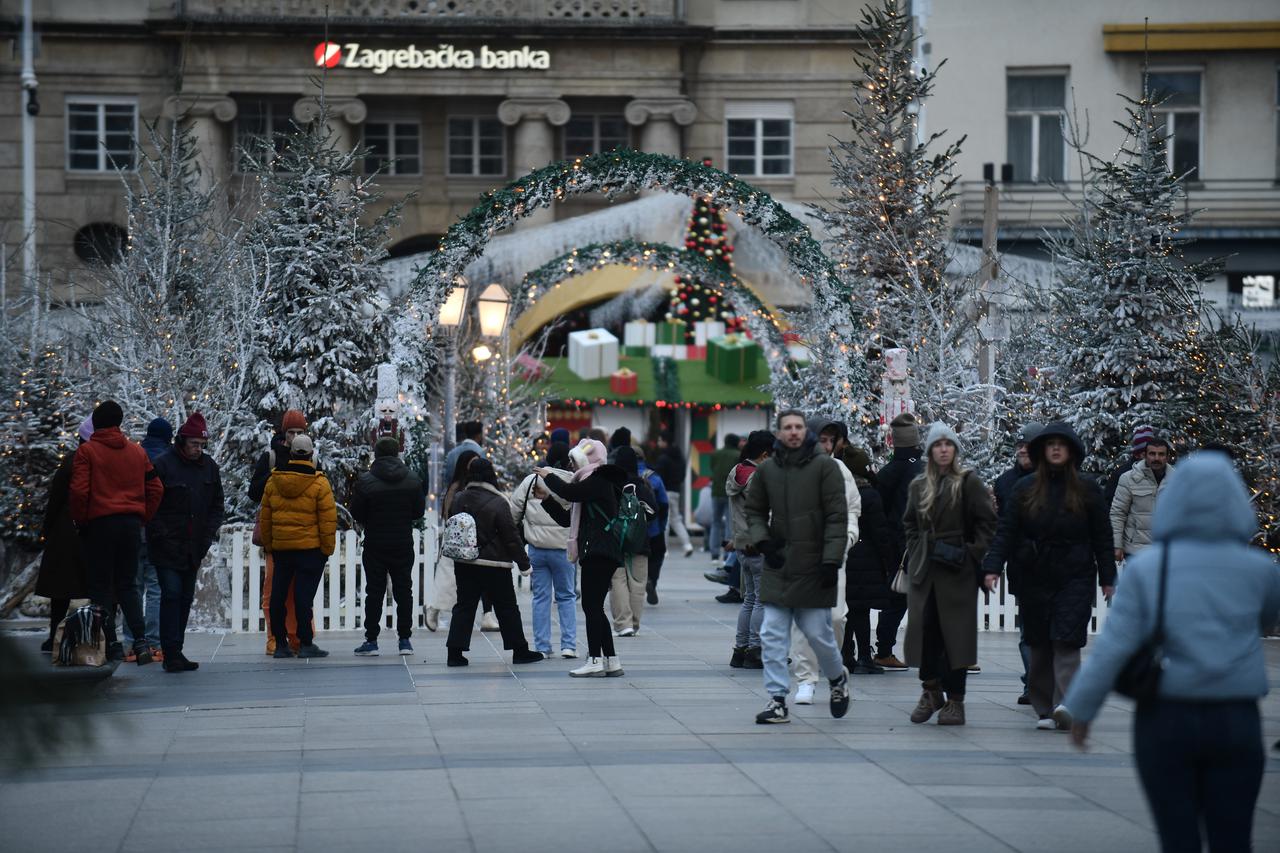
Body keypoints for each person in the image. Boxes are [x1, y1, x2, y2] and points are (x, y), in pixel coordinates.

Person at [1061, 452, 1280, 853]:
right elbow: (1266, 621)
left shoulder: (1150, 569)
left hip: (1167, 715)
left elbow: (1114, 646)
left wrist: (1081, 709)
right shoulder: (1261, 569)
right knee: (1233, 836)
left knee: (1177, 835)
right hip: (1236, 716)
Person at [981, 421, 1115, 729]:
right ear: (1042, 450)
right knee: (1039, 642)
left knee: (1067, 640)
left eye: (1061, 444)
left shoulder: (1087, 488)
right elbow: (1007, 531)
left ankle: (1067, 703)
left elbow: (1102, 535)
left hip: (1075, 573)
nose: (1055, 448)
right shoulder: (1024, 488)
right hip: (1035, 573)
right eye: (1050, 444)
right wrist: (992, 566)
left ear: (1071, 451)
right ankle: (1045, 708)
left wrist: (1108, 576)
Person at [744, 410, 851, 724]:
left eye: (798, 427)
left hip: (815, 566)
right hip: (779, 565)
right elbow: (754, 510)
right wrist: (763, 542)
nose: (793, 432)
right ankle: (777, 699)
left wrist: (832, 559)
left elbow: (837, 516)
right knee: (772, 633)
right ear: (778, 433)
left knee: (819, 634)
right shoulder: (768, 471)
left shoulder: (825, 468)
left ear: (806, 432)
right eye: (787, 427)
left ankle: (837, 678)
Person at [902, 423, 998, 726]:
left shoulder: (967, 482)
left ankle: (956, 700)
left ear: (955, 450)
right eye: (937, 445)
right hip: (926, 569)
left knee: (956, 637)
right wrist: (918, 547)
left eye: (948, 444)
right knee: (923, 631)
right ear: (930, 450)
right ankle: (931, 690)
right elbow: (908, 523)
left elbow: (987, 522)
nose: (943, 449)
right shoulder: (919, 485)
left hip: (957, 570)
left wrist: (971, 553)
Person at [69, 400, 164, 664]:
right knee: (128, 585)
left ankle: (111, 644)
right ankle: (142, 643)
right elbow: (156, 488)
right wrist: (141, 516)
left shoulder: (87, 452)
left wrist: (81, 520)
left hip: (99, 525)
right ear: (119, 423)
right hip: (130, 525)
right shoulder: (137, 452)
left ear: (96, 424)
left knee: (100, 588)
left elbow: (78, 492)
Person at [537, 439, 628, 678]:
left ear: (589, 459)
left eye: (575, 461)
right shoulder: (594, 483)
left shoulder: (598, 480)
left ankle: (595, 659)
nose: (572, 466)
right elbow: (568, 519)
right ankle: (611, 660)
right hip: (600, 551)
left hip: (599, 552)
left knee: (591, 607)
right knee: (595, 608)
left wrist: (548, 475)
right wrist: (547, 500)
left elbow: (568, 492)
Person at [444, 459, 543, 667]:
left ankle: (455, 652)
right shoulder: (498, 502)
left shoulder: (459, 498)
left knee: (464, 606)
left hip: (465, 561)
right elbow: (511, 537)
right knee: (506, 607)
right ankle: (520, 651)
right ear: (491, 475)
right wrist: (524, 565)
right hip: (494, 564)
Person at [789, 417, 860, 705]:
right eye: (821, 438)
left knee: (835, 618)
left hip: (833, 555)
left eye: (831, 440)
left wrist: (849, 538)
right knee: (803, 620)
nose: (826, 444)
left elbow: (852, 509)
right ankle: (806, 678)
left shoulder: (840, 470)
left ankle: (834, 673)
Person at [147, 413, 224, 673]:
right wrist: (161, 534)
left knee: (184, 598)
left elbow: (216, 505)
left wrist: (206, 536)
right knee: (171, 595)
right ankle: (170, 651)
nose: (198, 450)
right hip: (167, 544)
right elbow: (150, 505)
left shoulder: (209, 468)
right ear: (182, 441)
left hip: (193, 545)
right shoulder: (163, 465)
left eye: (201, 446)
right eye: (194, 444)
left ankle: (176, 649)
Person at [259, 434, 337, 659]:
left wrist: (270, 546)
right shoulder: (319, 482)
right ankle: (305, 643)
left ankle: (280, 644)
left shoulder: (274, 481)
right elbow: (327, 520)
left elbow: (266, 517)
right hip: (310, 550)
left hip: (283, 549)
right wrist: (326, 550)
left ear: (291, 454)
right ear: (312, 455)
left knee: (278, 596)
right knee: (303, 598)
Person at [351, 436, 425, 657]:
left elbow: (357, 512)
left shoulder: (366, 481)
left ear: (377, 454)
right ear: (396, 454)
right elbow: (418, 512)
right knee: (404, 590)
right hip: (402, 542)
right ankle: (404, 640)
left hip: (375, 542)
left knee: (374, 591)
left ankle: (371, 640)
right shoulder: (412, 480)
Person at [248, 409, 309, 655]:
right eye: (292, 432)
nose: (295, 437)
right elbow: (254, 492)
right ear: (284, 433)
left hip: (301, 535)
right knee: (273, 590)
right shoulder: (271, 458)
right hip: (276, 536)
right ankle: (275, 637)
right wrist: (274, 477)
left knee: (300, 592)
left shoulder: (310, 457)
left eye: (300, 432)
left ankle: (298, 638)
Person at [991, 421, 1043, 704]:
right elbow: (1002, 527)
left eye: (1028, 445)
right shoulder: (1005, 482)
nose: (1022, 449)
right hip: (1022, 566)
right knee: (1027, 630)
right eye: (1019, 445)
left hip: (1052, 565)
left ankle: (1046, 682)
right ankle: (1033, 683)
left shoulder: (1057, 479)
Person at [511, 441, 577, 658]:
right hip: (564, 549)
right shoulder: (572, 481)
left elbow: (514, 510)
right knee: (566, 596)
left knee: (541, 597)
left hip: (537, 549)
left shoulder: (532, 481)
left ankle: (542, 646)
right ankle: (568, 645)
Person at [34, 416, 92, 653]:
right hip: (95, 530)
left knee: (61, 590)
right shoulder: (103, 462)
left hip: (66, 531)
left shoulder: (71, 461)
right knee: (98, 587)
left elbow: (56, 498)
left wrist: (47, 530)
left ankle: (54, 636)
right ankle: (99, 637)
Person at [425, 450, 498, 633]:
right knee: (449, 578)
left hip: (479, 540)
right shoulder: (457, 488)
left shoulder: (482, 487)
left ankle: (488, 614)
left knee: (486, 577)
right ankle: (434, 608)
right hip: (457, 541)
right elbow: (449, 515)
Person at [872, 412, 923, 672]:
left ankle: (884, 649)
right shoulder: (924, 467)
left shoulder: (890, 471)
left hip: (898, 543)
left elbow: (880, 507)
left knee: (897, 597)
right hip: (923, 540)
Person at [841, 447, 895, 675]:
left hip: (844, 556)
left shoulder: (838, 491)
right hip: (866, 558)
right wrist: (889, 560)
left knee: (846, 611)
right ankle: (864, 656)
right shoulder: (869, 495)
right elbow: (881, 533)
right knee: (860, 611)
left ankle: (846, 655)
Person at [122, 417, 171, 661]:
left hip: (133, 529)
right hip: (158, 532)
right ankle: (154, 643)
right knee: (155, 590)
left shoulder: (134, 456)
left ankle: (131, 643)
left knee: (132, 587)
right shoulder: (168, 460)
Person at [726, 430, 772, 669]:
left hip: (742, 544)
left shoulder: (736, 471)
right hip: (758, 543)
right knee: (761, 599)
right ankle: (756, 649)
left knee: (750, 599)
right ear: (765, 455)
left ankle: (740, 649)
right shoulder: (759, 477)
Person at [608, 446, 656, 637]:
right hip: (639, 541)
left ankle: (622, 623)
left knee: (617, 580)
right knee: (637, 582)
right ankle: (634, 624)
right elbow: (654, 511)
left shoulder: (611, 484)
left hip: (615, 539)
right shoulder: (641, 485)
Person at [1110, 437, 1172, 562]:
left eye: (1161, 454)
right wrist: (1116, 545)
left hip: (1166, 550)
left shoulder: (1177, 480)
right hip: (1135, 550)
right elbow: (1118, 513)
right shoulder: (1128, 478)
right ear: (1145, 455)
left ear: (1167, 457)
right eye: (1152, 454)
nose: (1156, 458)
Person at [654, 431, 694, 557]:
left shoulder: (663, 459)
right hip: (676, 491)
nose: (658, 443)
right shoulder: (680, 457)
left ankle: (664, 549)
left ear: (665, 442)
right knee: (676, 519)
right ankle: (687, 544)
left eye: (660, 440)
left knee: (664, 520)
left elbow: (658, 478)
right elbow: (682, 475)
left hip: (664, 491)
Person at [636, 452, 669, 605]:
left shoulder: (625, 477)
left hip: (632, 528)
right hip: (653, 527)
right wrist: (661, 525)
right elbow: (664, 503)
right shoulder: (654, 478)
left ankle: (637, 584)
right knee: (657, 555)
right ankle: (651, 581)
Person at [1103, 424, 1155, 511]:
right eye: (1146, 453)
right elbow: (1110, 507)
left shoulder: (1163, 472)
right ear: (1138, 455)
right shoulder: (1121, 475)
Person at [707, 434, 740, 569]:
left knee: (715, 522)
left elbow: (712, 469)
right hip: (730, 493)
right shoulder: (737, 455)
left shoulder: (715, 454)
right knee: (729, 523)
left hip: (716, 491)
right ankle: (727, 553)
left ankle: (714, 554)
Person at [443, 420, 485, 484]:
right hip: (474, 492)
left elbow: (447, 477)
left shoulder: (452, 453)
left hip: (455, 492)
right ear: (479, 435)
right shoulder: (480, 453)